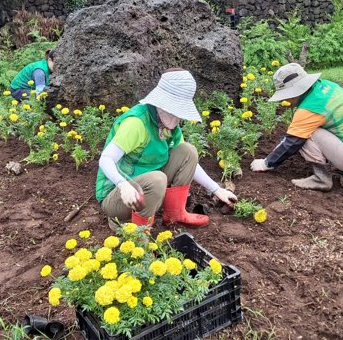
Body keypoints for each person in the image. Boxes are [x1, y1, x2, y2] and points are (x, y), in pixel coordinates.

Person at [96, 69, 238, 229]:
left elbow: (186, 161)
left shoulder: (168, 124)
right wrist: (123, 185)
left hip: (149, 188)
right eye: (172, 110)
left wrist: (217, 190)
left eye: (179, 113)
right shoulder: (137, 123)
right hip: (118, 196)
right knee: (158, 179)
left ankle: (174, 213)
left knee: (188, 151)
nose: (176, 118)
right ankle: (137, 230)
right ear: (159, 103)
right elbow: (106, 159)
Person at [250, 63, 343, 190]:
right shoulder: (327, 86)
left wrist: (266, 163)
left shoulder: (310, 108)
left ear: (294, 91)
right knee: (312, 129)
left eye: (284, 96)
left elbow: (292, 142)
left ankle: (321, 179)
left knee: (308, 134)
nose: (284, 100)